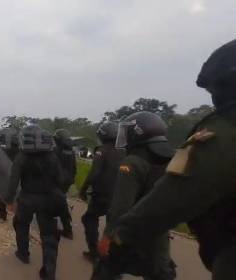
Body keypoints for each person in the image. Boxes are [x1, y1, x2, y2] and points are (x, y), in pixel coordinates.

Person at [98, 39, 236, 280]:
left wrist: (116, 234)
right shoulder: (166, 156)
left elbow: (174, 197)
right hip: (159, 237)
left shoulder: (223, 133)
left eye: (215, 90)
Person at [93, 112, 176, 280]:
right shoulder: (172, 160)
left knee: (105, 270)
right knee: (161, 274)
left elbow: (120, 207)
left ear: (137, 132)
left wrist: (108, 236)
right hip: (158, 233)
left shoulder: (133, 162)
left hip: (129, 232)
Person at [5, 125, 64, 280]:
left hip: (27, 198)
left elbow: (13, 181)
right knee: (49, 235)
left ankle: (23, 253)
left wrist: (9, 201)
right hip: (48, 199)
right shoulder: (52, 156)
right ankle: (48, 272)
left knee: (20, 224)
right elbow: (60, 180)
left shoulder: (21, 156)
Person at [79, 121, 125, 262]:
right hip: (120, 196)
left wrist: (83, 189)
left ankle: (94, 252)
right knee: (113, 225)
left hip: (102, 195)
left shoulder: (101, 150)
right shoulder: (125, 151)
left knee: (89, 218)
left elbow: (94, 173)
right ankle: (112, 256)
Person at [53, 128, 77, 240]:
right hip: (67, 182)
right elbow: (74, 169)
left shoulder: (55, 151)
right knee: (62, 203)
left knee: (52, 205)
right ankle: (68, 230)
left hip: (56, 182)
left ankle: (53, 230)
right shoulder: (72, 152)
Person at [0, 127, 20, 221]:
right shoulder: (19, 148)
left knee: (0, 194)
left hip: (8, 175)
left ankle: (3, 214)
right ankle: (16, 216)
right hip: (16, 176)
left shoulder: (6, 148)